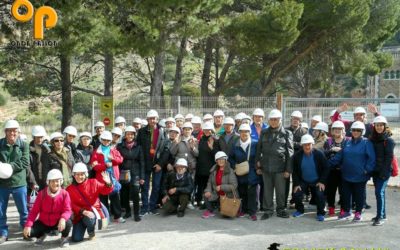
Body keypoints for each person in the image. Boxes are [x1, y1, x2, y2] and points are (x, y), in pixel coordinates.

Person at [328, 121, 375, 222]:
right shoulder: (347, 142)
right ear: (351, 131)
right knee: (345, 194)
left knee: (359, 195)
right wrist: (327, 164)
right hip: (346, 174)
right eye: (354, 130)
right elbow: (339, 156)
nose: (356, 132)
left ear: (362, 131)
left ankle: (358, 213)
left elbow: (372, 158)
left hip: (360, 175)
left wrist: (367, 170)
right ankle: (347, 211)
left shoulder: (366, 142)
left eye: (358, 130)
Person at [256, 109, 294, 220]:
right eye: (271, 120)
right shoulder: (264, 132)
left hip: (280, 168)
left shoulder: (287, 133)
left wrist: (288, 170)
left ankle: (281, 209)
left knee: (281, 191)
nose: (273, 122)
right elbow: (259, 149)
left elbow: (290, 153)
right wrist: (257, 166)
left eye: (276, 120)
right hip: (266, 166)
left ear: (280, 120)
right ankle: (268, 210)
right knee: (267, 191)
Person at [23, 169, 72, 247]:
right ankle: (41, 235)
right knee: (28, 234)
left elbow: (67, 210)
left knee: (68, 222)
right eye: (52, 181)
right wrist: (28, 225)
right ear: (48, 182)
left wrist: (62, 219)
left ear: (61, 181)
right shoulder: (41, 194)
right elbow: (34, 212)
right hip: (44, 222)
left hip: (57, 222)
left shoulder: (64, 194)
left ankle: (64, 237)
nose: (55, 183)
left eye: (57, 181)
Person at [66, 163, 113, 242]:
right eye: (77, 174)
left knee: (90, 218)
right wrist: (82, 211)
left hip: (92, 213)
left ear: (86, 174)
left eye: (82, 174)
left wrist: (108, 183)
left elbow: (105, 191)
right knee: (76, 239)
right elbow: (70, 204)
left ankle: (91, 232)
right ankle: (81, 228)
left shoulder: (93, 182)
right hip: (79, 215)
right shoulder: (69, 189)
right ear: (73, 175)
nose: (79, 177)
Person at [0, 120, 29, 244]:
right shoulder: (0, 144)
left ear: (18, 132)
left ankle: (25, 230)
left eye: (15, 131)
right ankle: (3, 233)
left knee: (23, 210)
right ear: (5, 132)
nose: (12, 133)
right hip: (2, 184)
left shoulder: (23, 145)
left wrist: (8, 167)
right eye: (10, 131)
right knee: (1, 211)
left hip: (19, 183)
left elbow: (25, 162)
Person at [136, 109, 167, 216]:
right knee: (145, 187)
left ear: (157, 119)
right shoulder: (141, 132)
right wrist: (142, 162)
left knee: (156, 186)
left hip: (157, 164)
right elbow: (139, 148)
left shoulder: (163, 131)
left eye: (154, 118)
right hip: (145, 163)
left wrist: (160, 164)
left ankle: (152, 206)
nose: (153, 120)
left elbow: (166, 149)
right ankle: (144, 208)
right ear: (147, 120)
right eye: (150, 119)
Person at [292, 135, 329, 222]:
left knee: (320, 194)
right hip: (303, 180)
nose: (307, 147)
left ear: (312, 144)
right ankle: (300, 210)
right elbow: (295, 171)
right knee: (297, 193)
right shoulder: (297, 156)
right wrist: (296, 184)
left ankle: (320, 213)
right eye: (305, 145)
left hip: (317, 181)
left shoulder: (319, 154)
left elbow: (326, 168)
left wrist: (322, 181)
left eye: (309, 144)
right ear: (302, 145)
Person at [90, 131, 125, 223]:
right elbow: (95, 167)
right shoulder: (96, 152)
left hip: (113, 176)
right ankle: (105, 217)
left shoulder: (113, 150)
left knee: (115, 196)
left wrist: (112, 159)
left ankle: (117, 216)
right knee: (103, 198)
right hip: (101, 177)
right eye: (104, 140)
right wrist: (105, 165)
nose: (106, 142)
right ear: (101, 140)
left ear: (110, 141)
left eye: (108, 140)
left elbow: (120, 159)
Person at [229, 124, 260, 221]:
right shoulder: (236, 145)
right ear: (239, 133)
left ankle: (252, 212)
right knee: (242, 192)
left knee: (252, 192)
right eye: (242, 131)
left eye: (246, 131)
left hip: (252, 172)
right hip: (240, 172)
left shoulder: (255, 143)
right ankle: (244, 210)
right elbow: (231, 158)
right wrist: (234, 167)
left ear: (250, 132)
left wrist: (259, 167)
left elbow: (259, 156)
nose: (244, 133)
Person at [370, 116, 395, 226]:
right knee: (380, 192)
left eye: (381, 125)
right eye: (377, 125)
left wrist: (384, 173)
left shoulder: (388, 141)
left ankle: (379, 217)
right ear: (374, 126)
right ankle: (382, 214)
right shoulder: (372, 139)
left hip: (384, 171)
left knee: (378, 192)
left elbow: (389, 158)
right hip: (375, 171)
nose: (379, 127)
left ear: (385, 126)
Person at [116, 126, 145, 222]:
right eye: (128, 134)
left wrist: (142, 177)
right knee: (124, 193)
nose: (130, 136)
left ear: (134, 135)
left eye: (132, 134)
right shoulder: (120, 146)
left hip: (135, 173)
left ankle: (136, 214)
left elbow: (142, 162)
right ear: (125, 135)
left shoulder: (139, 147)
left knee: (136, 193)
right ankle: (128, 212)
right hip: (124, 172)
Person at [202, 151, 238, 219]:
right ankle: (210, 210)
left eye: (222, 159)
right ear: (216, 161)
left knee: (226, 216)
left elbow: (234, 185)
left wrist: (221, 187)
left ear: (225, 160)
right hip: (217, 194)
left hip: (227, 196)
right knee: (206, 194)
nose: (221, 161)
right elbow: (209, 182)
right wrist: (208, 190)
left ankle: (221, 207)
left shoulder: (230, 171)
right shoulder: (214, 171)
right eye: (219, 159)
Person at [323, 121, 347, 216]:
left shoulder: (347, 141)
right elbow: (324, 154)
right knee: (331, 191)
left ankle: (343, 208)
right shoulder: (328, 142)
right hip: (331, 171)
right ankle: (331, 207)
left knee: (343, 191)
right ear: (332, 131)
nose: (337, 131)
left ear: (343, 130)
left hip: (343, 170)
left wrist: (341, 150)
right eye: (335, 129)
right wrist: (331, 150)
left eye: (339, 129)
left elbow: (350, 154)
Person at [285, 111, 308, 208]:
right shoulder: (285, 130)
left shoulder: (304, 132)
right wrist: (296, 144)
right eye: (294, 118)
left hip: (298, 159)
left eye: (297, 119)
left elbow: (304, 145)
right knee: (285, 180)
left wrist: (292, 143)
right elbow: (283, 143)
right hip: (286, 159)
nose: (295, 120)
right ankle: (283, 200)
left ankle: (295, 200)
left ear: (300, 120)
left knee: (297, 180)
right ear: (291, 119)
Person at [195, 122, 219, 208]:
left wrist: (212, 147)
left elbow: (217, 155)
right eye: (205, 129)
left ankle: (209, 203)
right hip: (201, 167)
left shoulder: (215, 140)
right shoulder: (201, 139)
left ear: (212, 130)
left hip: (210, 168)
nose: (207, 131)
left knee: (209, 186)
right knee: (201, 186)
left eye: (209, 130)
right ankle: (199, 201)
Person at [29, 125, 51, 190]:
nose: (40, 139)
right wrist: (33, 182)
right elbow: (28, 168)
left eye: (41, 137)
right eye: (37, 137)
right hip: (34, 182)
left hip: (46, 181)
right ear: (33, 137)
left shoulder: (47, 149)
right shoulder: (28, 150)